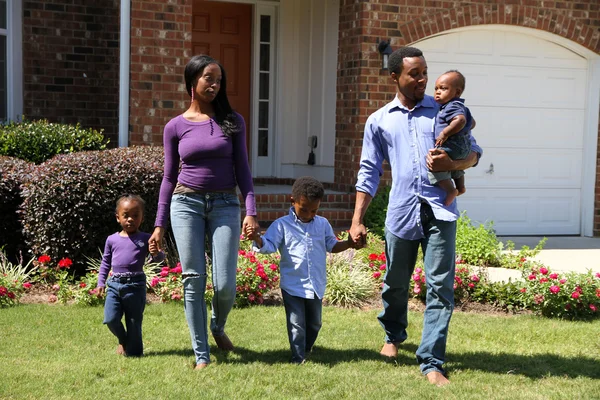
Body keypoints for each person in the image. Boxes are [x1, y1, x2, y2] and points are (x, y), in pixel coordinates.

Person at [349, 47, 483, 386]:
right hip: (401, 211)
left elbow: (475, 153)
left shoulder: (443, 111)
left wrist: (452, 165)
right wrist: (357, 219)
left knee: (440, 286)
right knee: (395, 283)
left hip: (440, 211)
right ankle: (393, 335)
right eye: (415, 74)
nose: (423, 79)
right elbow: (368, 171)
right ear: (395, 77)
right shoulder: (379, 120)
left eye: (425, 72)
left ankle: (432, 361)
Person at [148, 55, 260, 369]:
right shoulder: (175, 126)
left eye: (219, 80)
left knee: (226, 282)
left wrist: (250, 211)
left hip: (225, 204)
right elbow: (169, 177)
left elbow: (243, 169)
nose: (214, 85)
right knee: (193, 278)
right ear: (192, 81)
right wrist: (159, 225)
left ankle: (217, 325)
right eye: (208, 78)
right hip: (186, 205)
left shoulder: (233, 121)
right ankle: (201, 354)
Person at [245, 176, 357, 364]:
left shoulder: (322, 224)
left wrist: (348, 244)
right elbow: (269, 245)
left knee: (315, 323)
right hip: (292, 284)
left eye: (314, 210)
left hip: (315, 284)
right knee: (296, 323)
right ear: (293, 201)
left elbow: (331, 245)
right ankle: (298, 358)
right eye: (303, 209)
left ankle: (306, 348)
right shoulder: (282, 225)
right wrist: (257, 238)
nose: (308, 214)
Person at [97, 194, 165, 357]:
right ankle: (123, 339)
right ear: (118, 217)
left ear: (141, 218)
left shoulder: (145, 238)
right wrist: (101, 283)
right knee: (111, 319)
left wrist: (156, 253)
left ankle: (134, 354)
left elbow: (159, 258)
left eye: (135, 216)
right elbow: (106, 262)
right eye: (126, 215)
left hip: (135, 285)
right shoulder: (111, 240)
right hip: (114, 284)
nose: (130, 220)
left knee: (134, 322)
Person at [429, 70, 474, 206]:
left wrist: (445, 133)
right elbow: (472, 123)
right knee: (456, 167)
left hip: (452, 144)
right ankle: (461, 186)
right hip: (464, 147)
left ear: (457, 92)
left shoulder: (451, 106)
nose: (437, 92)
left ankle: (450, 190)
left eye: (443, 88)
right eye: (436, 88)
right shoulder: (460, 106)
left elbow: (460, 120)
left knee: (435, 165)